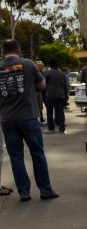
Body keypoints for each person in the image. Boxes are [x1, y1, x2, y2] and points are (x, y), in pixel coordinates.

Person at [0, 39, 59, 201]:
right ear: (18, 50)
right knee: (37, 153)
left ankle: (24, 192)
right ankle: (45, 190)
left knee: (16, 156)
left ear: (2, 51)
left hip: (7, 119)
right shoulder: (28, 64)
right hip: (28, 117)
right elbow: (42, 85)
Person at [42, 59, 69, 134]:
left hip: (49, 95)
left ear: (50, 64)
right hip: (60, 96)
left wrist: (43, 93)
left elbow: (44, 84)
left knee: (49, 112)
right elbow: (65, 86)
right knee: (60, 112)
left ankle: (51, 128)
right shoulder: (62, 74)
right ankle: (62, 128)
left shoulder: (47, 72)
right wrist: (66, 95)